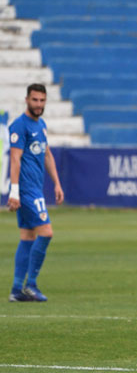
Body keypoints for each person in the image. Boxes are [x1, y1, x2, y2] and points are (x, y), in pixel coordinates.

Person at [7, 83, 63, 302]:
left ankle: (15, 290)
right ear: (26, 100)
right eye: (35, 100)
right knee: (46, 233)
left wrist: (57, 183)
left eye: (42, 100)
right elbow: (14, 158)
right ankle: (30, 285)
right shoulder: (19, 126)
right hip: (27, 191)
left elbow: (47, 154)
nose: (38, 104)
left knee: (27, 237)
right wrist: (14, 192)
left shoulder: (41, 125)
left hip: (35, 189)